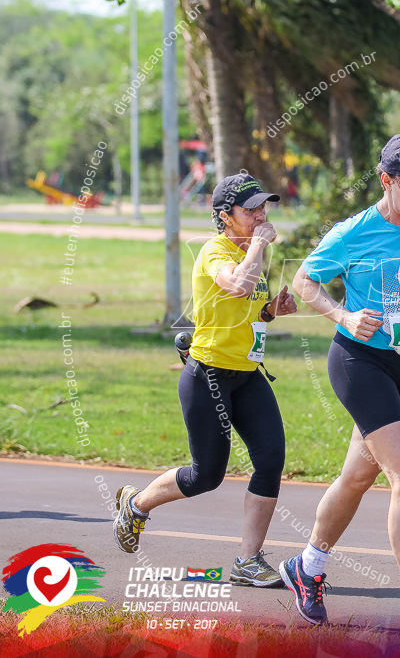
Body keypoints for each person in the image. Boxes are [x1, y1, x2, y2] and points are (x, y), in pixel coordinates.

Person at [283, 133, 400, 636]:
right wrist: (343, 314)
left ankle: (308, 567)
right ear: (386, 180)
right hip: (359, 361)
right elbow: (304, 281)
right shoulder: (354, 231)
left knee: (356, 477)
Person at [112, 173, 297, 586]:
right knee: (206, 476)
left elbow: (245, 307)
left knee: (270, 459)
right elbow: (236, 285)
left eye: (263, 207)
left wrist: (271, 311)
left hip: (248, 375)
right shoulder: (216, 251)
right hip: (209, 376)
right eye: (250, 209)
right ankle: (136, 504)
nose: (260, 215)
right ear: (224, 216)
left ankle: (248, 561)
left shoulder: (249, 250)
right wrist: (261, 246)